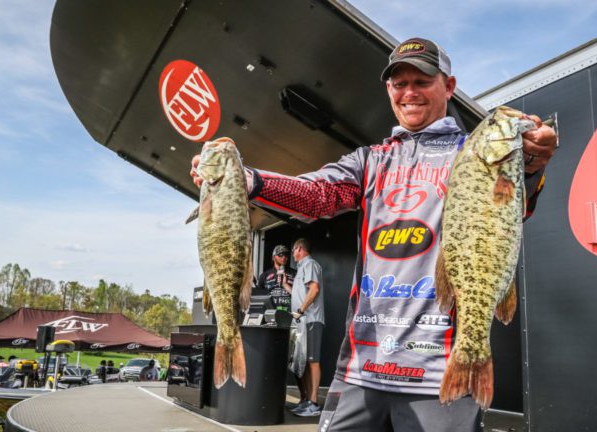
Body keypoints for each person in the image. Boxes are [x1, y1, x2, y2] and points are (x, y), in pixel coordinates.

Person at [190, 37, 556, 431]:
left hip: (440, 373)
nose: (410, 92)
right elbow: (317, 195)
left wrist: (529, 162)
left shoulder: (474, 153)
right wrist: (247, 180)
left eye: (423, 81)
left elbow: (510, 210)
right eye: (400, 84)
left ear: (449, 86)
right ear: (388, 90)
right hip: (361, 370)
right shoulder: (370, 160)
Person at [286, 238, 325, 417]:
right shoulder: (302, 268)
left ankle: (314, 403)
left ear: (300, 248)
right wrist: (285, 285)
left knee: (312, 361)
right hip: (302, 322)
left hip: (311, 320)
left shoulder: (310, 264)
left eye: (293, 250)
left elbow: (314, 289)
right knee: (304, 363)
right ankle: (308, 401)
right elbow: (301, 292)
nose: (292, 254)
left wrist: (301, 310)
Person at [255, 244, 295, 311]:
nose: (284, 257)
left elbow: (300, 295)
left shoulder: (295, 273)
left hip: (290, 312)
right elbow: (258, 297)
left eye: (286, 255)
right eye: (280, 255)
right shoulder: (264, 275)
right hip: (270, 312)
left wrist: (286, 285)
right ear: (273, 258)